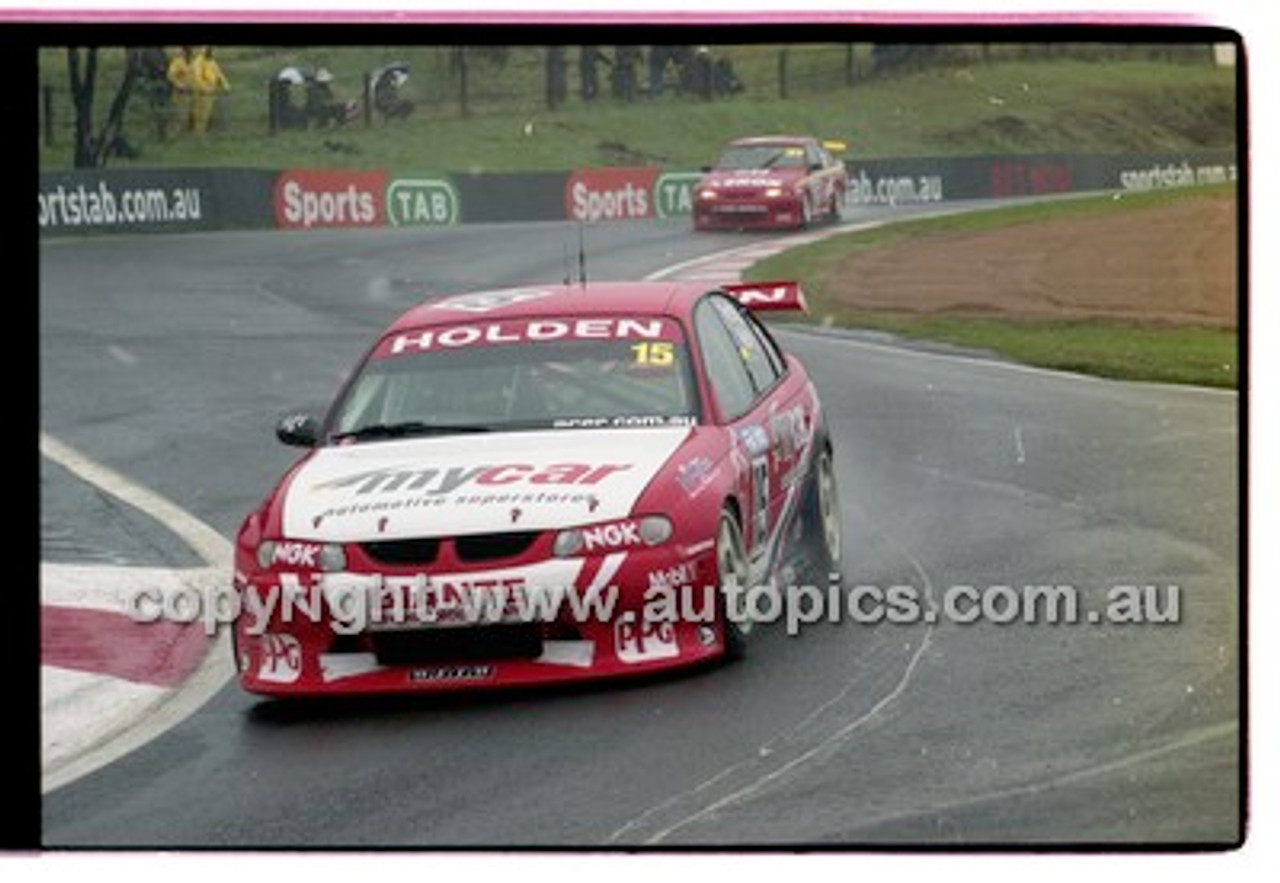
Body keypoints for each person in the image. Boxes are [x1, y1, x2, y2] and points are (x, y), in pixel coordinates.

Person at [190, 46, 230, 135]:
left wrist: (226, 85)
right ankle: (198, 133)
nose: (211, 52)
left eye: (212, 50)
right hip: (201, 93)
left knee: (206, 114)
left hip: (211, 92)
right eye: (209, 50)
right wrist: (205, 89)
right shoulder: (198, 62)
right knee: (199, 114)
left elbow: (219, 74)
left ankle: (202, 132)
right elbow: (197, 78)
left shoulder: (211, 61)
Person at [166, 46, 195, 132]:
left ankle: (184, 133)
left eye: (190, 51)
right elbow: (170, 76)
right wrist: (179, 85)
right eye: (187, 51)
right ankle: (175, 132)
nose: (189, 52)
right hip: (179, 92)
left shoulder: (191, 62)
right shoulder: (177, 61)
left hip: (189, 91)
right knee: (178, 113)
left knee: (187, 113)